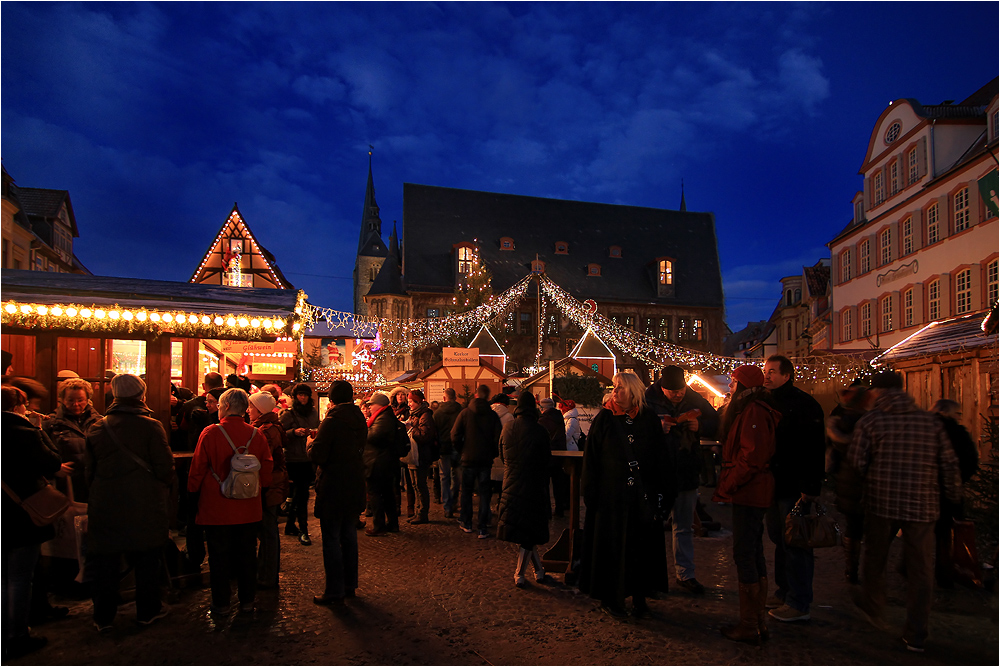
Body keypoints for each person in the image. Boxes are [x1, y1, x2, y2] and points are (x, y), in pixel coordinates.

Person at [848, 371, 961, 653]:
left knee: (875, 557)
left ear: (876, 392)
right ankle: (916, 633)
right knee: (921, 569)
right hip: (923, 505)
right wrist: (953, 498)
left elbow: (857, 463)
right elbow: (948, 464)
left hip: (881, 502)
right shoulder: (930, 422)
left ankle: (875, 607)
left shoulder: (871, 421)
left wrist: (862, 490)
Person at [578, 371, 674, 619]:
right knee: (612, 548)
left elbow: (659, 456)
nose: (614, 392)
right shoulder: (605, 419)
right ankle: (612, 597)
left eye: (619, 388)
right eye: (613, 387)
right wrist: (590, 492)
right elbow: (592, 458)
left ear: (633, 391)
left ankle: (640, 596)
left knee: (640, 548)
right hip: (611, 498)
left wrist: (662, 491)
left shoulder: (648, 418)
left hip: (641, 497)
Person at [85, 374, 175, 631]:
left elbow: (89, 471)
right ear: (141, 396)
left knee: (105, 563)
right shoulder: (151, 426)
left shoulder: (98, 427)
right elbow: (164, 467)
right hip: (144, 503)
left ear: (114, 395)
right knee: (147, 560)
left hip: (106, 504)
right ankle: (147, 610)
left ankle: (103, 616)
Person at [188, 388, 273, 615]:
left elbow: (196, 471)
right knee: (247, 555)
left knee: (219, 557)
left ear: (224, 407)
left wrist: (192, 494)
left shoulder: (210, 433)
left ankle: (222, 603)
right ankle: (247, 601)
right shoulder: (257, 435)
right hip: (248, 506)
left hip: (216, 507)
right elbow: (266, 471)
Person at [713, 365, 781, 644]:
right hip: (752, 490)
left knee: (745, 553)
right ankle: (758, 621)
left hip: (750, 491)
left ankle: (749, 623)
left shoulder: (752, 412)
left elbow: (751, 457)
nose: (729, 385)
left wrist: (729, 485)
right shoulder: (750, 409)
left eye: (733, 381)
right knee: (752, 552)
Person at [2, 385, 65, 660]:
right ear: (19, 407)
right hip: (22, 513)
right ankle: (16, 635)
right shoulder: (24, 433)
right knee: (19, 576)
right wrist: (39, 430)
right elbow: (52, 461)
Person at [644, 365, 719, 596]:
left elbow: (716, 423)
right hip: (657, 471)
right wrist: (656, 427)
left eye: (680, 390)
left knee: (684, 526)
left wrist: (701, 426)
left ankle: (685, 573)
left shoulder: (694, 398)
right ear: (662, 387)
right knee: (651, 526)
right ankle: (650, 576)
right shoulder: (647, 399)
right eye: (672, 391)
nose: (677, 395)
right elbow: (633, 427)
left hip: (686, 469)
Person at [762, 355, 825, 623]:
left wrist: (810, 486)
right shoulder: (765, 401)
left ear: (787, 375)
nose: (767, 376)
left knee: (796, 543)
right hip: (772, 484)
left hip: (793, 485)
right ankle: (784, 590)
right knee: (779, 539)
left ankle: (800, 601)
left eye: (772, 372)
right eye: (765, 371)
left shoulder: (804, 405)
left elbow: (814, 448)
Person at [309, 381, 367, 604]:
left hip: (333, 485)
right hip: (353, 483)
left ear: (331, 399)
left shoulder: (332, 421)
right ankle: (349, 584)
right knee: (349, 535)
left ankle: (334, 590)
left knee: (332, 538)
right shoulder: (359, 418)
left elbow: (319, 455)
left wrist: (309, 444)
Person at [497, 393, 554, 587]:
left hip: (511, 483)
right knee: (530, 530)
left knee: (526, 531)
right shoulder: (540, 431)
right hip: (533, 485)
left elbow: (502, 455)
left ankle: (539, 571)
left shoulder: (507, 428)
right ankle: (519, 574)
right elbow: (547, 460)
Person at [826, 381, 874, 584]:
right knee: (871, 527)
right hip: (868, 481)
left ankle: (850, 567)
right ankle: (870, 570)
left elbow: (831, 456)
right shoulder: (869, 423)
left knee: (853, 526)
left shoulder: (838, 423)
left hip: (846, 481)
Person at [930, 399, 979, 588]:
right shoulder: (957, 433)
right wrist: (959, 481)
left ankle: (912, 569)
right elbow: (969, 461)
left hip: (922, 491)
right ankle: (944, 574)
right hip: (947, 492)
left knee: (921, 534)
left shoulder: (922, 429)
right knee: (945, 535)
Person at [248, 391, 288, 589]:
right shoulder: (267, 427)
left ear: (260, 410)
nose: (248, 411)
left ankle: (267, 575)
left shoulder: (266, 430)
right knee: (267, 531)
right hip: (273, 483)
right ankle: (266, 572)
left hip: (269, 485)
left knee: (268, 531)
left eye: (251, 407)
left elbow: (264, 459)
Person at [452, 385, 503, 539]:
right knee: (485, 493)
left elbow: (454, 435)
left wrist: (462, 450)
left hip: (468, 459)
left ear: (475, 395)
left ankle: (467, 522)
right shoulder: (492, 416)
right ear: (488, 397)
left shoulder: (465, 413)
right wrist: (492, 453)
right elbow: (498, 438)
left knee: (466, 492)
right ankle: (482, 526)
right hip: (485, 460)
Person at [43, 377, 100, 503]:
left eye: (80, 400)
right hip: (65, 484)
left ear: (87, 400)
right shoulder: (51, 423)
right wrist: (54, 468)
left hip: (94, 482)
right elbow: (41, 453)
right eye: (70, 400)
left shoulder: (99, 422)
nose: (76, 404)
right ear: (62, 400)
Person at [280, 383, 319, 545]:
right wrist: (293, 432)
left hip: (308, 458)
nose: (302, 397)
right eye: (300, 394)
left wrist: (313, 433)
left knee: (300, 493)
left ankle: (290, 525)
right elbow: (280, 434)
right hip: (293, 458)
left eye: (305, 394)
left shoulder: (313, 413)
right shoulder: (289, 414)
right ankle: (303, 529)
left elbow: (317, 427)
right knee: (302, 494)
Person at [363, 393, 405, 536]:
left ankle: (379, 525)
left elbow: (374, 436)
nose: (369, 408)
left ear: (379, 405)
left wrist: (364, 430)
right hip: (383, 462)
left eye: (371, 405)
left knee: (375, 493)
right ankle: (392, 524)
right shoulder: (385, 416)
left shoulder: (384, 418)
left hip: (378, 462)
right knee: (387, 494)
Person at [404, 390, 437, 525]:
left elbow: (425, 435)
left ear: (418, 402)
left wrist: (412, 427)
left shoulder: (425, 415)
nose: (409, 404)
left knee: (420, 484)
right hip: (414, 454)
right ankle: (418, 512)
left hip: (422, 454)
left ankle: (423, 513)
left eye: (411, 401)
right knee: (414, 484)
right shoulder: (415, 414)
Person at [433, 388, 463, 518]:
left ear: (444, 398)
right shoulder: (461, 411)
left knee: (444, 476)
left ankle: (447, 506)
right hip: (457, 446)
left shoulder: (438, 413)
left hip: (443, 447)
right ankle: (454, 501)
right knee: (456, 476)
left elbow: (434, 432)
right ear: (455, 397)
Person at [537, 397, 569, 518]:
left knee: (545, 485)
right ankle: (559, 508)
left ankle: (547, 510)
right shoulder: (559, 418)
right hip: (559, 454)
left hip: (547, 454)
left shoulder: (543, 420)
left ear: (543, 408)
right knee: (557, 484)